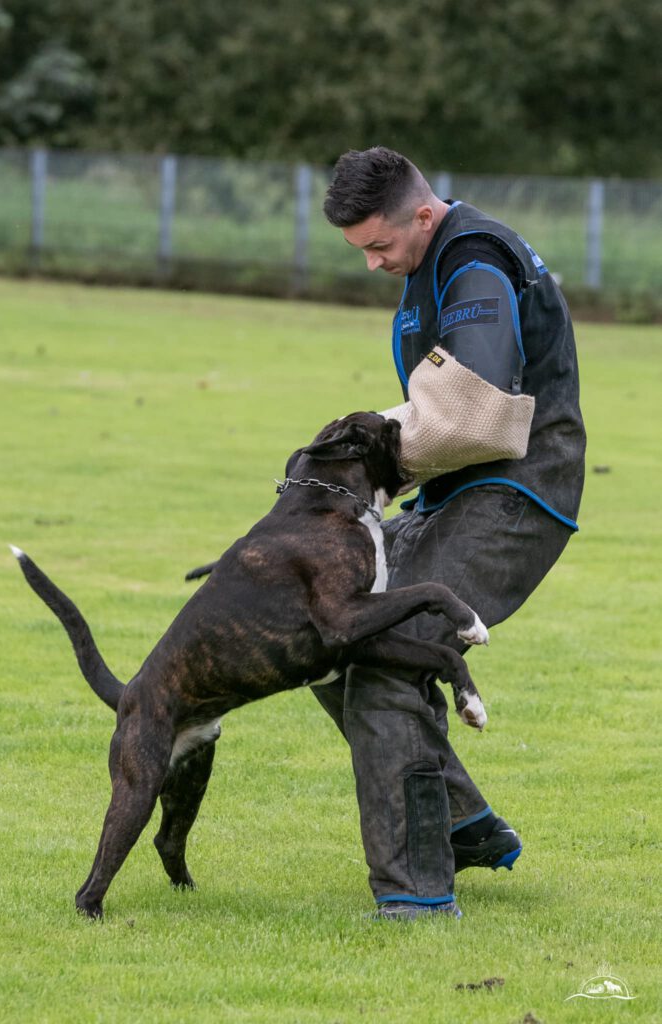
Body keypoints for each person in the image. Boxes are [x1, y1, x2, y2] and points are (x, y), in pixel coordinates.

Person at [311, 146, 586, 920]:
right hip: (455, 497)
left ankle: (417, 897)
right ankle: (463, 825)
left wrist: (364, 451)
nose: (373, 265)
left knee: (387, 656)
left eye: (379, 246)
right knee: (323, 625)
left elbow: (476, 413)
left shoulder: (471, 263)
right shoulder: (434, 260)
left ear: (422, 217)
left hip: (513, 496)